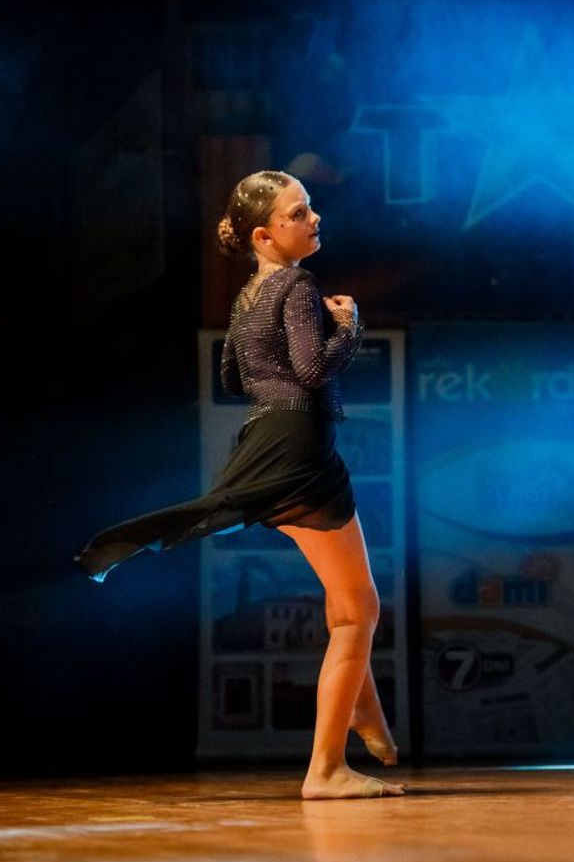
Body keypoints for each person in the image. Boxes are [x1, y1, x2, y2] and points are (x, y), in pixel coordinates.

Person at [75, 171, 404, 800]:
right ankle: (326, 769)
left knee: (347, 600)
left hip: (267, 440)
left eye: (310, 208)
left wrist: (282, 369)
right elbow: (313, 370)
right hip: (299, 449)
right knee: (359, 610)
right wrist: (350, 327)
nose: (314, 218)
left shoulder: (249, 293)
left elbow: (232, 378)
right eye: (298, 213)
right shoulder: (298, 285)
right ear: (264, 234)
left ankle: (363, 711)